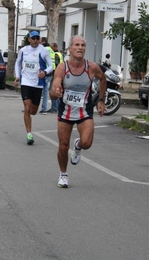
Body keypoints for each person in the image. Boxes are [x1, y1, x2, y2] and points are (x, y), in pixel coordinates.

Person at [49, 35, 106, 188]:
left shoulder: (92, 67)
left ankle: (79, 146)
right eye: (77, 45)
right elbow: (52, 92)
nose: (80, 48)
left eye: (83, 45)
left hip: (84, 112)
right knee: (63, 145)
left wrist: (101, 99)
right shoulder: (62, 68)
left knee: (87, 143)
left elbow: (103, 79)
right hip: (65, 112)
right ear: (70, 49)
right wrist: (57, 91)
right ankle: (63, 174)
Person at [14, 30, 53, 145]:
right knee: (27, 108)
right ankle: (29, 134)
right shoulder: (23, 50)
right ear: (29, 39)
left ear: (39, 39)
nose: (35, 40)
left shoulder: (43, 50)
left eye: (37, 38)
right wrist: (17, 76)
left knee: (33, 111)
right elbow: (18, 63)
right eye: (33, 38)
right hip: (25, 82)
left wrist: (45, 72)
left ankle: (29, 117)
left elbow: (51, 65)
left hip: (37, 83)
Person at [39, 36, 55, 115]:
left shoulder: (43, 49)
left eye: (40, 40)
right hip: (51, 72)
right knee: (46, 91)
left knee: (41, 90)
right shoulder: (51, 49)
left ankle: (43, 108)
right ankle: (44, 109)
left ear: (43, 42)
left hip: (45, 72)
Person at [47, 42, 64, 113]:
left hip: (56, 74)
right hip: (59, 74)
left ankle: (54, 108)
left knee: (53, 90)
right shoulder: (59, 54)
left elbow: (56, 65)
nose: (50, 49)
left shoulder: (56, 55)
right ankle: (56, 107)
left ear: (55, 47)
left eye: (51, 47)